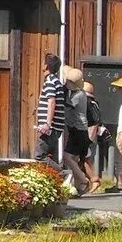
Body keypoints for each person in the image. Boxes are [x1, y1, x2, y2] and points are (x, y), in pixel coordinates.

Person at [58, 65, 96, 193]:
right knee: (73, 159)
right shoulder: (76, 92)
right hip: (77, 130)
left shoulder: (79, 95)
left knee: (67, 157)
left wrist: (59, 94)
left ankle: (84, 181)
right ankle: (78, 185)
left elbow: (67, 106)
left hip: (79, 130)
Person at [34, 53, 67, 165]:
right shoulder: (57, 81)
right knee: (51, 156)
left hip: (50, 127)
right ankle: (54, 179)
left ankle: (60, 175)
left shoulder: (50, 82)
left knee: (40, 156)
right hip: (56, 126)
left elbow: (52, 102)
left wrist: (47, 124)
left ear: (46, 66)